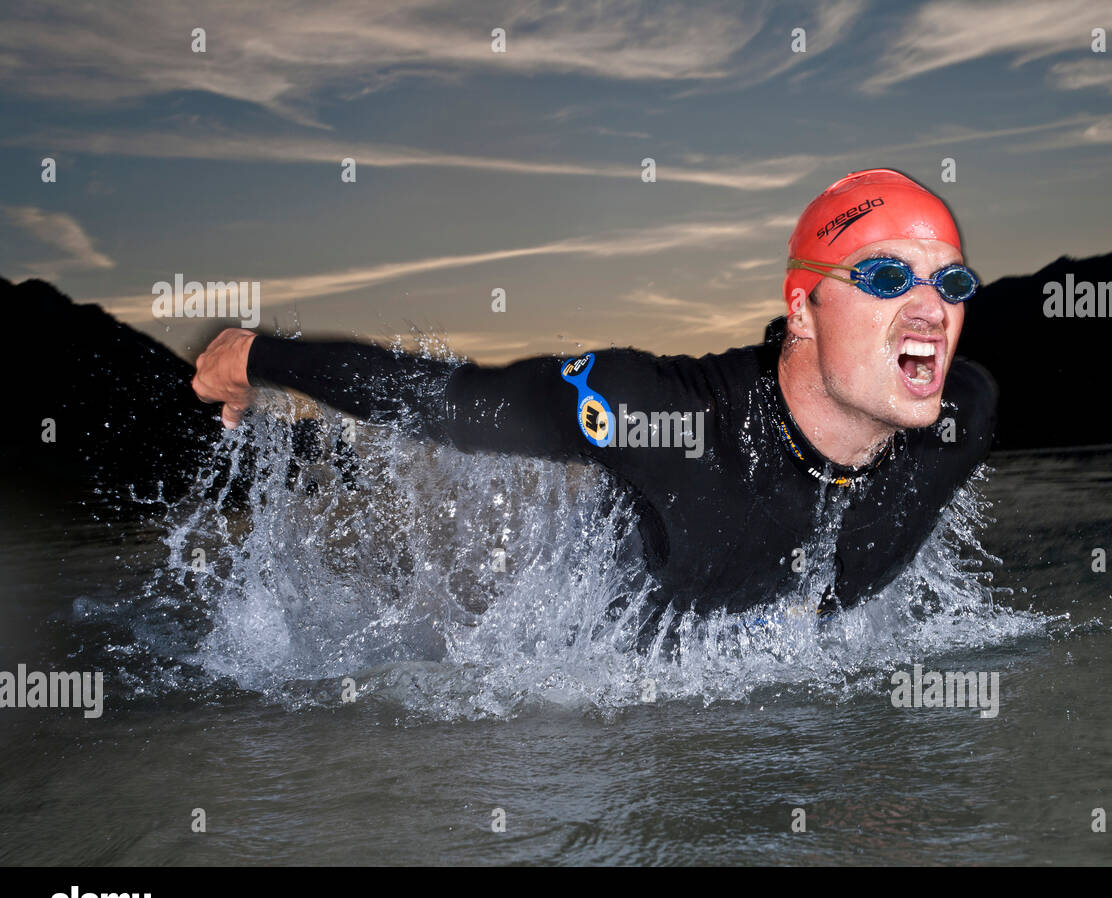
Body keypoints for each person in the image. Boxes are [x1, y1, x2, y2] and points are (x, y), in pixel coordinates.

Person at [191, 169, 997, 650]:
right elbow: (448, 402)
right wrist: (258, 359)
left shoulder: (959, 419)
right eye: (888, 279)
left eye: (952, 283)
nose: (932, 309)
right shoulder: (656, 416)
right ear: (802, 309)